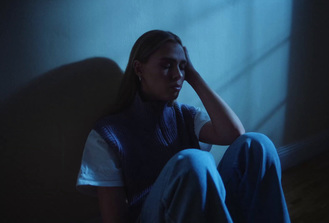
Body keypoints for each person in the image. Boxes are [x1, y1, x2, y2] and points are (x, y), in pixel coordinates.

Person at [76, 30, 290, 223]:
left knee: (257, 144)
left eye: (182, 66)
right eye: (167, 65)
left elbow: (234, 134)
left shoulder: (185, 115)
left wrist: (194, 76)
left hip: (205, 210)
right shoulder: (108, 134)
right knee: (194, 160)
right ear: (139, 68)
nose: (178, 75)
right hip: (154, 217)